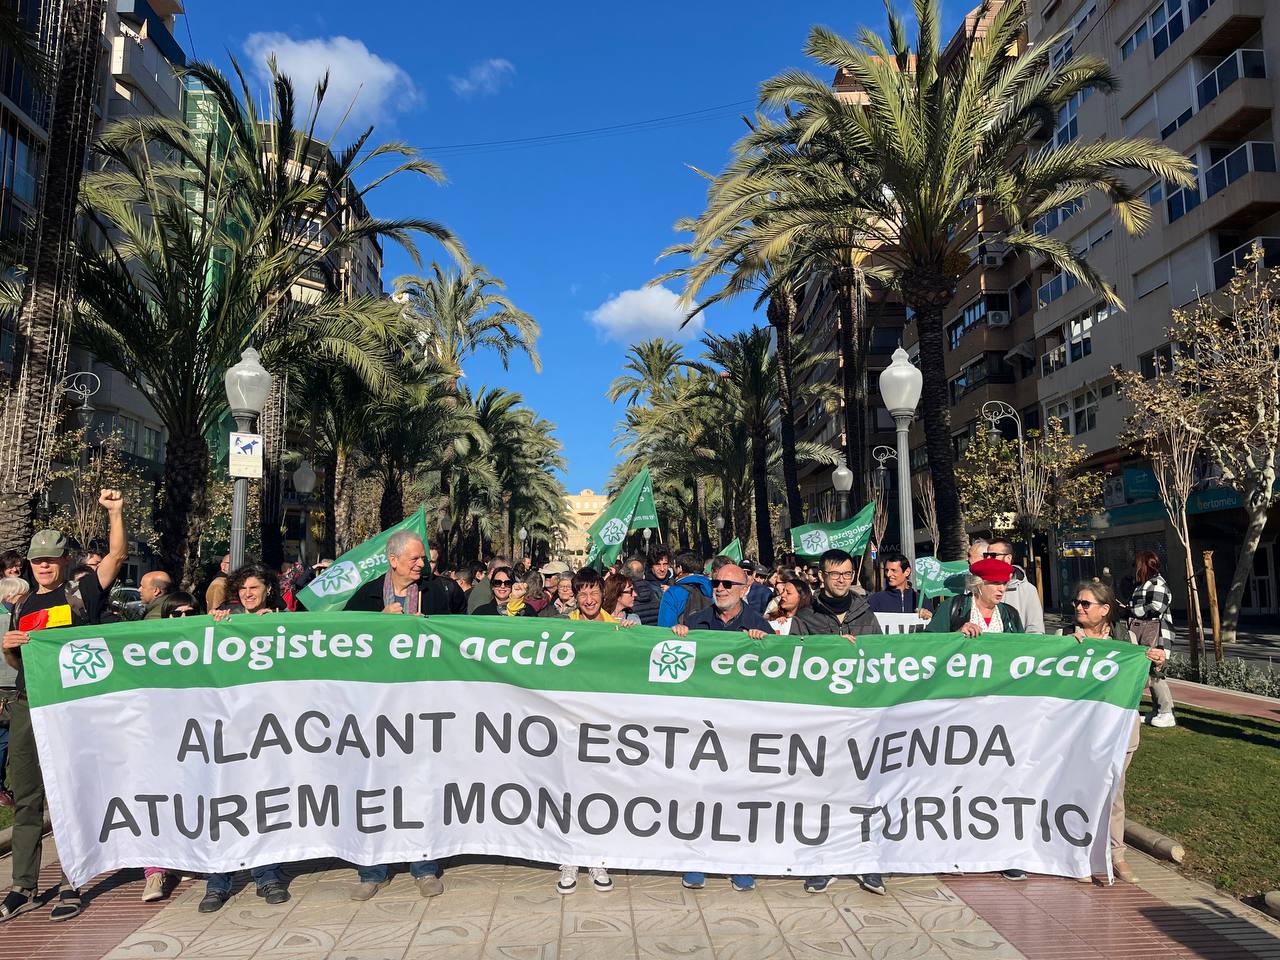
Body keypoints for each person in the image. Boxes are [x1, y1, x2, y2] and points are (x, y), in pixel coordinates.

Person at [1, 490, 128, 922]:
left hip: (69, 710)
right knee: (27, 799)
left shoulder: (82, 591)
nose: (44, 566)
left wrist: (115, 512)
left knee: (70, 797)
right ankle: (23, 886)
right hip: (25, 706)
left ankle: (74, 880)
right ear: (31, 563)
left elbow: (115, 554)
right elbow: (19, 661)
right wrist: (8, 647)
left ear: (63, 561)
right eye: (38, 560)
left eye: (51, 560)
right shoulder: (23, 605)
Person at [671, 561, 767, 892]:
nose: (721, 588)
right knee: (699, 793)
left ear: (745, 589)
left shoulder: (758, 626)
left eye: (729, 584)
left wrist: (763, 646)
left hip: (741, 728)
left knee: (738, 795)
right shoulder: (695, 622)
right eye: (717, 583)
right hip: (701, 726)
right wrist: (679, 637)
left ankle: (739, 861)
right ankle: (697, 859)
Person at [1064, 579, 1166, 884]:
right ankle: (1079, 854)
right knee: (1080, 790)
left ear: (1105, 610)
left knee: (1114, 792)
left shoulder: (1128, 640)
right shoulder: (1066, 637)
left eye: (1086, 604)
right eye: (1077, 603)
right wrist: (1067, 649)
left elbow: (1141, 683)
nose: (1079, 608)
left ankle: (1116, 854)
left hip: (1120, 729)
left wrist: (1154, 664)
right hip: (1082, 731)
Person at [1125, 551, 1176, 728]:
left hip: (1157, 633)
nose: (1134, 569)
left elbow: (1156, 607)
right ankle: (1157, 710)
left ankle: (1166, 711)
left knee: (1155, 672)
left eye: (1136, 565)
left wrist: (1132, 609)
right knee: (1150, 671)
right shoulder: (1144, 584)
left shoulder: (1157, 584)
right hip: (1144, 632)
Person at [793, 550, 882, 640]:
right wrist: (835, 645)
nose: (841, 580)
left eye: (847, 574)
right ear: (821, 576)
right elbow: (795, 651)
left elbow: (880, 649)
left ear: (853, 575)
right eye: (834, 574)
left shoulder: (866, 615)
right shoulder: (804, 618)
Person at [928, 558, 1024, 636]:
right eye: (995, 583)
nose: (1002, 589)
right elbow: (929, 643)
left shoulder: (1010, 613)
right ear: (978, 584)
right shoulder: (952, 607)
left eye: (1004, 583)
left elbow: (1023, 647)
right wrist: (957, 634)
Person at [0, 577, 26, 810]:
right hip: (9, 686)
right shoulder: (11, 619)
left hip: (10, 685)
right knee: (6, 740)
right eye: (21, 596)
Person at [980, 540, 1044, 634]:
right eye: (986, 555)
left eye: (993, 555)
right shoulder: (980, 586)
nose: (988, 559)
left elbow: (1035, 629)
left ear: (1008, 558)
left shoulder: (1028, 590)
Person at [657, 552, 712, 627]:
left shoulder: (673, 593)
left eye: (674, 566)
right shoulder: (715, 589)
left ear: (680, 568)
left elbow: (665, 627)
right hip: (708, 636)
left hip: (683, 637)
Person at [867, 551, 924, 616]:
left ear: (907, 572)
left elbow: (933, 624)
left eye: (893, 570)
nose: (888, 574)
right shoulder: (875, 600)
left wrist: (928, 617)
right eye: (886, 570)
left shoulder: (921, 601)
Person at [768, 570, 812, 636]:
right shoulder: (772, 616)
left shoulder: (809, 621)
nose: (782, 595)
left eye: (788, 593)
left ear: (801, 597)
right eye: (783, 591)